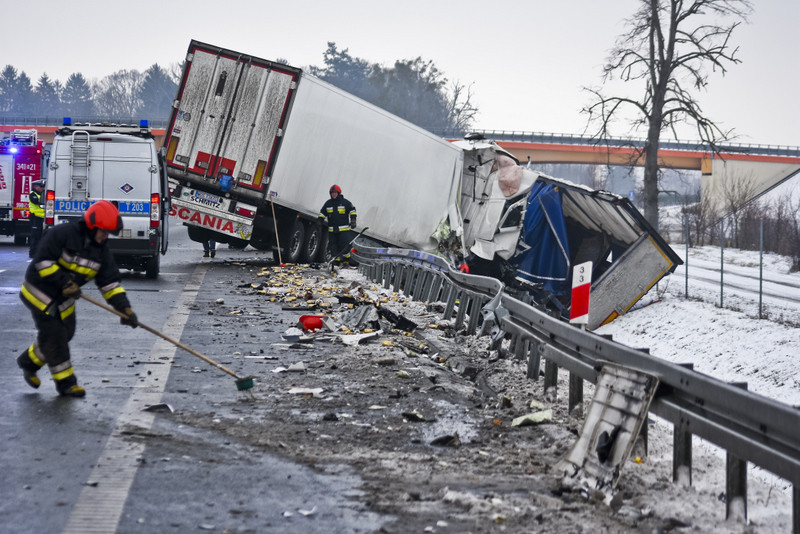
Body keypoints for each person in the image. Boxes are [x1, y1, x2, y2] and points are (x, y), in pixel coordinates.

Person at [16, 200, 138, 397]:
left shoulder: (102, 252)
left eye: (108, 233)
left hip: (65, 297)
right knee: (55, 336)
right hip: (40, 292)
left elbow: (110, 285)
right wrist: (64, 282)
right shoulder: (62, 234)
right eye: (103, 232)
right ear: (92, 226)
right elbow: (43, 262)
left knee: (66, 334)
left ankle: (28, 362)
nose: (105, 237)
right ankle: (66, 384)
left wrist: (125, 309)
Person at [319, 184, 357, 264]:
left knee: (344, 246)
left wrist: (353, 220)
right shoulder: (328, 203)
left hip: (343, 230)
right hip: (332, 230)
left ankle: (346, 260)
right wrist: (320, 220)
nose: (333, 194)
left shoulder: (345, 203)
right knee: (333, 246)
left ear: (338, 193)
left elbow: (352, 210)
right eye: (332, 193)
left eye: (335, 192)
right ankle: (336, 261)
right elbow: (322, 213)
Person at [28, 179, 45, 258]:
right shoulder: (33, 194)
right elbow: (37, 202)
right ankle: (32, 253)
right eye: (40, 186)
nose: (42, 188)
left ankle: (36, 253)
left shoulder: (39, 194)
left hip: (40, 218)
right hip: (35, 217)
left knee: (39, 236)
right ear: (35, 186)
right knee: (35, 236)